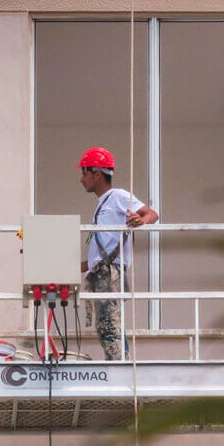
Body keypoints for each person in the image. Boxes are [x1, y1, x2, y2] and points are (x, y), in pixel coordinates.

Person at [78, 147, 158, 360]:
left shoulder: (118, 196)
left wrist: (141, 221)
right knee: (105, 325)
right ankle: (115, 361)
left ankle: (118, 365)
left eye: (84, 173)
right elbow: (98, 255)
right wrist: (72, 267)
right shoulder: (102, 204)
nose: (81, 179)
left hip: (110, 273)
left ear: (97, 174)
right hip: (101, 272)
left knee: (110, 324)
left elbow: (151, 214)